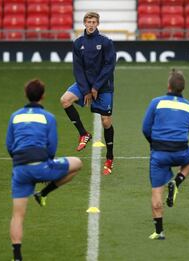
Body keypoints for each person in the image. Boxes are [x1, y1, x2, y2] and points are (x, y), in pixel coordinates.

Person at [7, 79, 83, 261]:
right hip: (42, 166)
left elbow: (10, 146)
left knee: (17, 215)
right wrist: (44, 167)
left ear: (26, 94)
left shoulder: (15, 116)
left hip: (20, 170)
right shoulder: (48, 117)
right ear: (43, 96)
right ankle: (44, 193)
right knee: (77, 163)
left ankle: (17, 256)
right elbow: (51, 148)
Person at [142, 69, 189, 240]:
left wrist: (154, 144)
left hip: (159, 154)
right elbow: (186, 130)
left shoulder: (156, 102)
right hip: (181, 151)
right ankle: (177, 180)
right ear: (183, 88)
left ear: (168, 86)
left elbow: (145, 128)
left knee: (156, 193)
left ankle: (159, 231)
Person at [60, 11, 116, 176]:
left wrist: (96, 87)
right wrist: (85, 90)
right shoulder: (78, 43)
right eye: (88, 21)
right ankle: (84, 134)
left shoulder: (106, 42)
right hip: (85, 84)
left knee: (106, 122)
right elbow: (77, 68)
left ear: (97, 24)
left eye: (94, 22)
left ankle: (110, 157)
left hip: (103, 86)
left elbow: (109, 66)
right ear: (84, 23)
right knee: (65, 100)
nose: (91, 24)